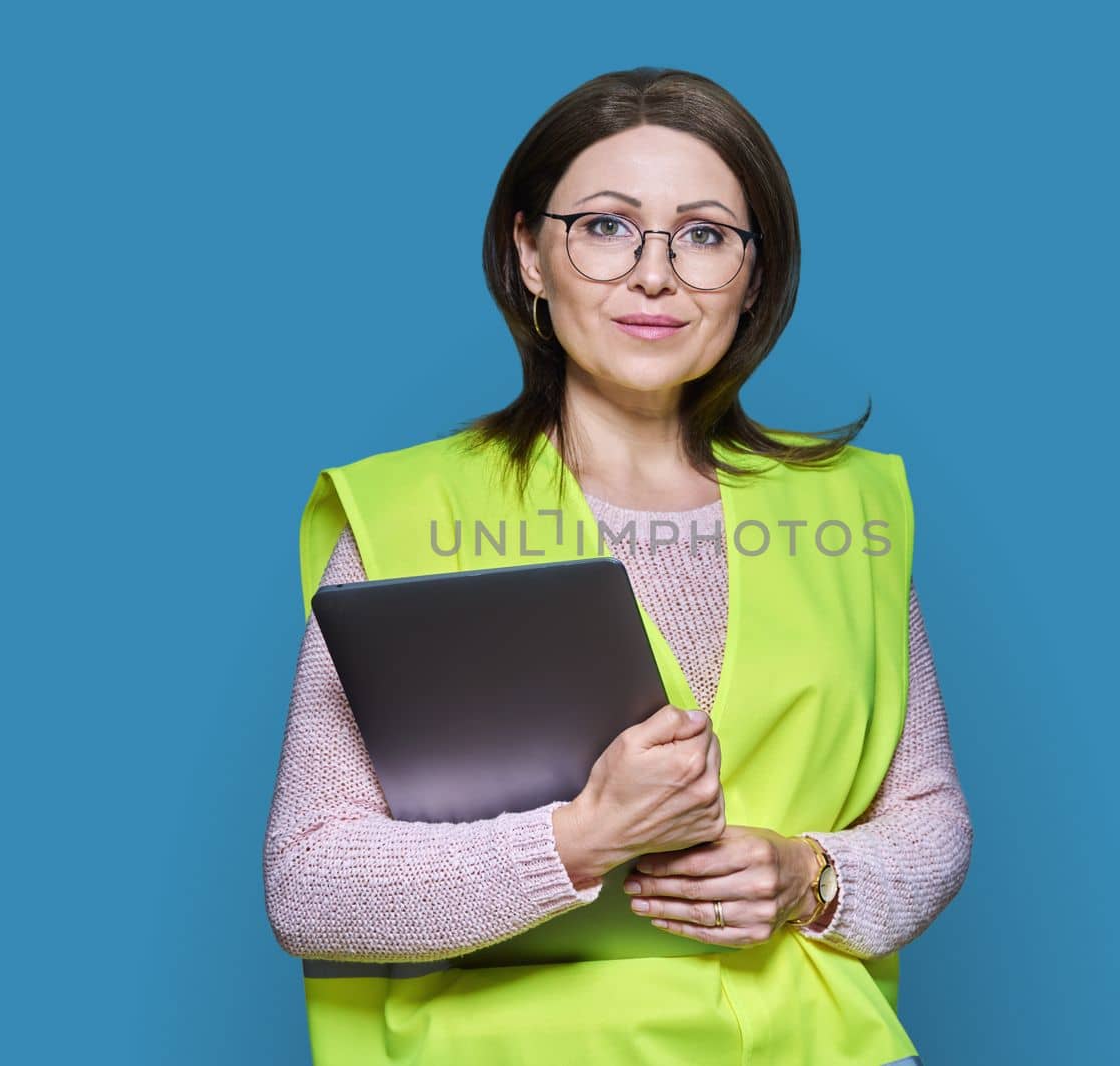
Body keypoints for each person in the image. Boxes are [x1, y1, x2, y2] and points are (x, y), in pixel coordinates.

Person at [263, 66, 973, 1065]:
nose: (655, 274)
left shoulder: (848, 511)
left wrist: (809, 874)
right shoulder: (405, 518)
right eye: (604, 226)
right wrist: (578, 840)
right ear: (529, 256)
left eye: (704, 235)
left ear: (753, 275)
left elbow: (929, 815)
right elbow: (311, 885)